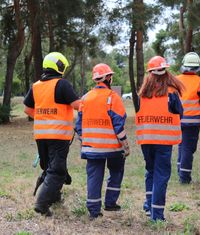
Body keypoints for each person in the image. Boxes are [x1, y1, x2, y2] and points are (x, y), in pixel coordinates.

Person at [24, 52, 80, 216]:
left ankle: (54, 197)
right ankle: (41, 204)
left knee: (50, 167)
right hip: (58, 136)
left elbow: (27, 109)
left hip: (41, 136)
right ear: (60, 66)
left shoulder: (36, 86)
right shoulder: (62, 84)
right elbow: (77, 105)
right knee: (57, 171)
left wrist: (44, 118)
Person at [75, 63, 130, 220]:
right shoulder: (113, 98)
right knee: (116, 171)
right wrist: (126, 146)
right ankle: (110, 203)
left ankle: (94, 211)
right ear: (107, 78)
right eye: (110, 76)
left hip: (91, 148)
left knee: (94, 177)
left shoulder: (84, 98)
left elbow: (79, 126)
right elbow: (119, 126)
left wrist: (85, 142)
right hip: (113, 148)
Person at [136, 56, 184, 221]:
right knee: (161, 176)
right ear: (166, 72)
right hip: (163, 142)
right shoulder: (172, 92)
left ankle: (149, 205)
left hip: (146, 140)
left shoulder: (143, 93)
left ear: (150, 73)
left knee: (151, 172)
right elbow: (180, 112)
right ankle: (157, 215)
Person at [176, 52, 200, 184]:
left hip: (177, 121)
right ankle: (184, 176)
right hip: (193, 122)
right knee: (188, 148)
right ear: (197, 67)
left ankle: (180, 170)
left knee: (181, 146)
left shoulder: (175, 80)